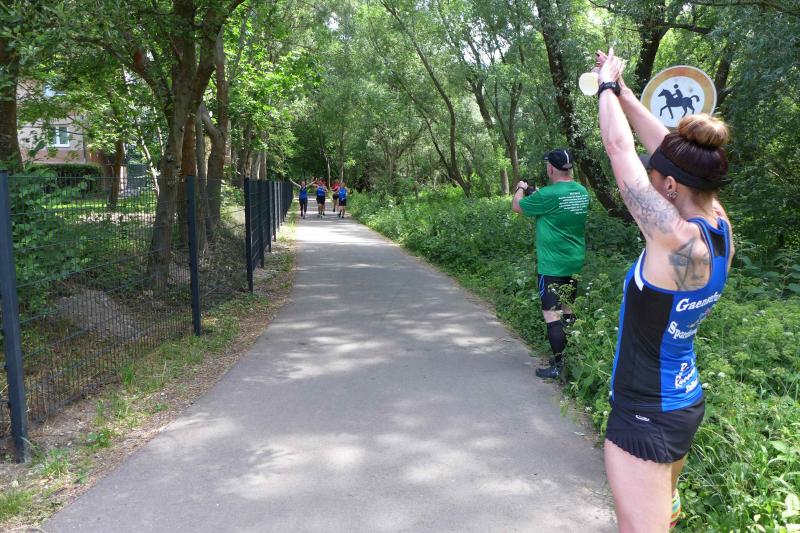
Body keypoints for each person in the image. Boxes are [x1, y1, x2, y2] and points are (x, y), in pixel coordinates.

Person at [595, 49, 734, 531]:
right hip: (683, 403)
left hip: (645, 414)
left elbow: (618, 148)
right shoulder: (720, 228)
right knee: (663, 512)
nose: (650, 182)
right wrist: (624, 92)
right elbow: (665, 154)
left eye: (656, 179)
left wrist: (605, 86)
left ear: (671, 187)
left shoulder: (672, 238)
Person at [511, 148, 590, 380]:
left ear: (551, 169)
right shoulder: (582, 192)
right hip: (574, 260)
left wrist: (520, 189)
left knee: (551, 314)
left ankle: (558, 366)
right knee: (568, 309)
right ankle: (572, 357)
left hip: (552, 265)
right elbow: (558, 207)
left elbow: (517, 206)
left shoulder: (548, 195)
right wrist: (537, 195)